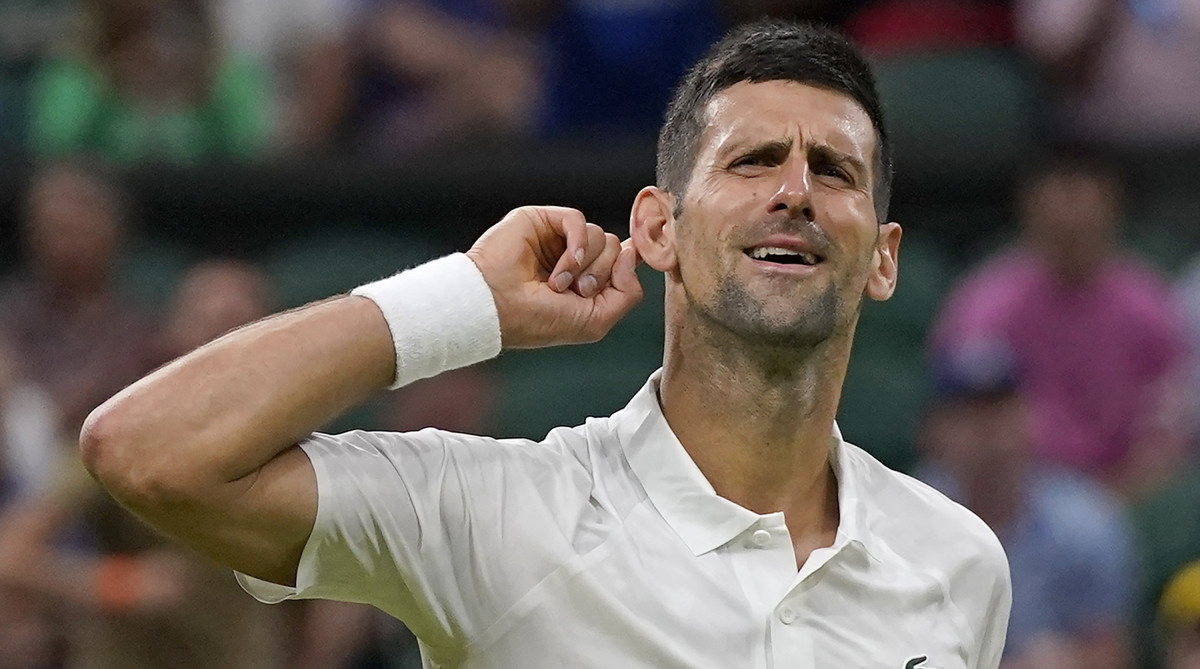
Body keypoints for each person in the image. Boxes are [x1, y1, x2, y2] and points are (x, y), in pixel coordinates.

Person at [81, 21, 1011, 667]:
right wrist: (464, 303)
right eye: (752, 160)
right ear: (656, 231)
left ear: (883, 259)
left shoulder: (960, 564)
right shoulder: (497, 516)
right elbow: (145, 450)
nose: (797, 191)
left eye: (836, 170)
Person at [929, 151, 1190, 499]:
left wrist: (1113, 495)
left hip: (1127, 488)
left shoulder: (1148, 308)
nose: (1070, 235)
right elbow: (961, 417)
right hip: (1018, 485)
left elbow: (1170, 424)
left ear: (1112, 214)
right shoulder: (987, 304)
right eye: (1059, 227)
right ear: (1030, 214)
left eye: (1082, 225)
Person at [917, 337, 1135, 669]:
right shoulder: (905, 520)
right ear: (935, 431)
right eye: (971, 417)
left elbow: (1112, 652)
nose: (990, 434)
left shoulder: (1084, 523)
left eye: (1001, 412)